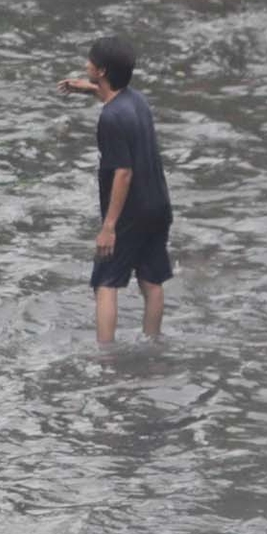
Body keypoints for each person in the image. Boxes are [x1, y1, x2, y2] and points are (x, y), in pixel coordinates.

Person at [62, 36, 171, 343]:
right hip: (158, 205)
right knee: (151, 280)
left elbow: (123, 173)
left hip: (130, 213)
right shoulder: (136, 100)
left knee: (105, 282)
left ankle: (106, 357)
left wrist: (109, 227)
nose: (86, 65)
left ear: (102, 70)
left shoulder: (110, 119)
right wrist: (90, 89)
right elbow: (115, 98)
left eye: (90, 63)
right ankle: (153, 343)